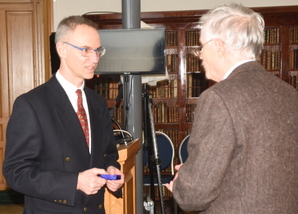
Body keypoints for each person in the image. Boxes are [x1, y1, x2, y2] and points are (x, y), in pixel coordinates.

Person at [166, 3, 298, 214]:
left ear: (218, 46)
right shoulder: (290, 94)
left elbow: (194, 195)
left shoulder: (218, 98)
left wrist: (183, 183)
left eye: (202, 46)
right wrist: (196, 172)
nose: (200, 55)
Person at [3, 15, 124, 214]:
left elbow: (108, 154)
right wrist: (75, 182)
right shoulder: (31, 104)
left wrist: (111, 169)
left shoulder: (98, 103)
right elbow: (16, 173)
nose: (94, 59)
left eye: (97, 51)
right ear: (62, 49)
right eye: (86, 50)